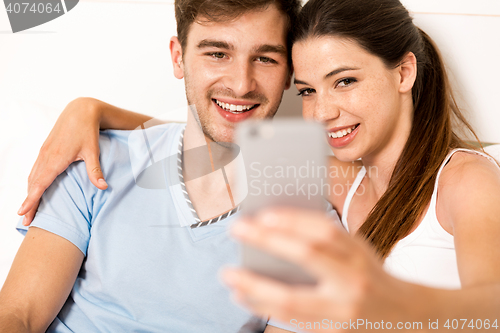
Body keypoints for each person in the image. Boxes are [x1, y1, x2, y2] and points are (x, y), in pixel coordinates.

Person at [0, 0, 300, 330]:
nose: (242, 84)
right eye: (217, 53)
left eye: (265, 58)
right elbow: (20, 316)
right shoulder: (96, 161)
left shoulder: (308, 229)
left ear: (289, 72)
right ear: (178, 57)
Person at [219, 0, 500, 330]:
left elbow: (492, 305)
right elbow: (213, 152)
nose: (322, 112)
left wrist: (394, 302)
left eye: (345, 81)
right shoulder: (343, 179)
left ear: (404, 73)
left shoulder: (466, 180)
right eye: (308, 91)